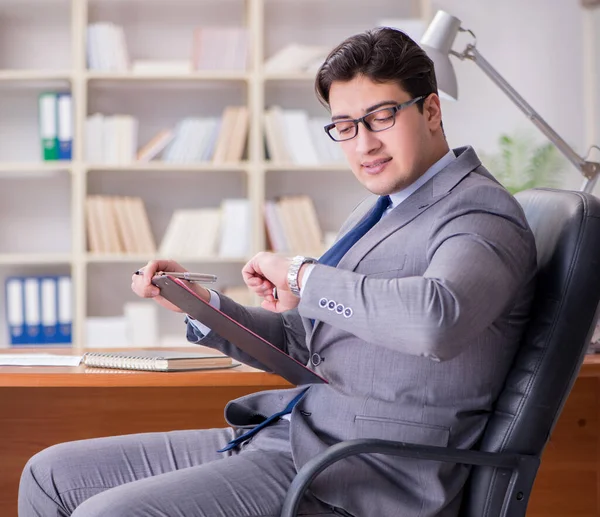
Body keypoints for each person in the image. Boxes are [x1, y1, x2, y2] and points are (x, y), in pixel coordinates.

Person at [18, 27, 537, 517]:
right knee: (49, 475)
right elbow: (307, 344)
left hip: (365, 473)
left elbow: (435, 321)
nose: (363, 145)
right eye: (346, 127)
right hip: (296, 435)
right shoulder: (380, 210)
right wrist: (202, 306)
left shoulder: (479, 212)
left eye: (381, 117)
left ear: (430, 110)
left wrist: (303, 276)